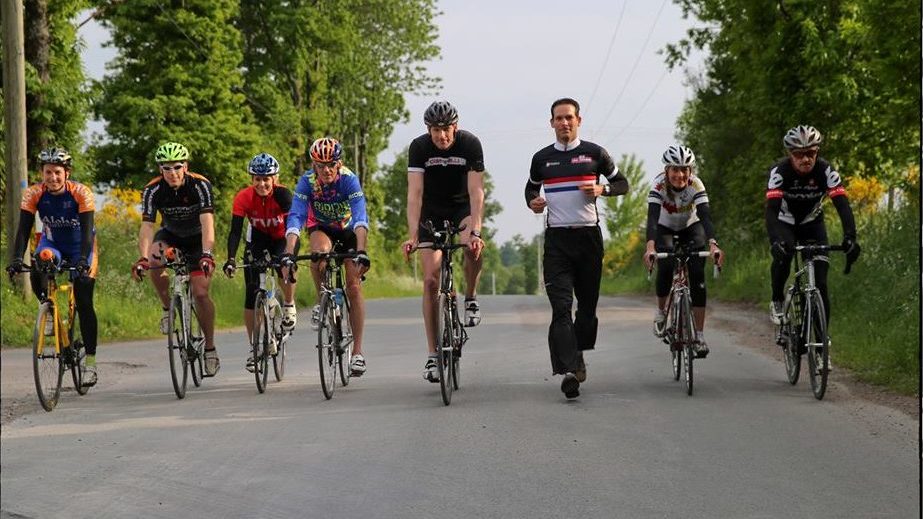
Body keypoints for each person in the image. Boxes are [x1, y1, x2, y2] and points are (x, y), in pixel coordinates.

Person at [525, 97, 629, 399]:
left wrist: (602, 189)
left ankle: (579, 353)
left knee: (586, 310)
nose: (564, 123)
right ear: (552, 123)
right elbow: (531, 187)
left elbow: (622, 183)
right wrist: (532, 202)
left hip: (588, 240)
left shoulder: (595, 154)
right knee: (560, 308)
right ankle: (569, 370)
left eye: (569, 118)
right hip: (557, 240)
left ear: (578, 120)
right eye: (559, 119)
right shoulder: (542, 158)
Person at [400, 100, 486, 384]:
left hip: (462, 208)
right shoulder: (419, 148)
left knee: (472, 247)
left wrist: (476, 231)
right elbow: (414, 194)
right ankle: (433, 354)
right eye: (436, 130)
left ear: (455, 127)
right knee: (430, 282)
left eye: (446, 129)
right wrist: (413, 233)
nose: (442, 136)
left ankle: (470, 298)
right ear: (429, 129)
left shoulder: (470, 144)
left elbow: (476, 193)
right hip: (432, 213)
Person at [6, 148, 100, 387]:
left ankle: (90, 363)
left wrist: (81, 260)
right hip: (53, 244)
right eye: (48, 172)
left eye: (57, 172)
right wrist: (17, 258)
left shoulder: (81, 193)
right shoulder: (34, 194)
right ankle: (47, 308)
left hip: (82, 246)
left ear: (66, 173)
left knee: (84, 299)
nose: (53, 177)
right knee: (41, 260)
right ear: (42, 173)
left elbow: (88, 230)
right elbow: (24, 229)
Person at [282, 137, 371, 376]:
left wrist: (361, 251)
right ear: (314, 166)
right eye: (321, 165)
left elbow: (361, 216)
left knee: (353, 286)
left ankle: (358, 353)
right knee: (318, 254)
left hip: (349, 229)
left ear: (339, 163)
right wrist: (288, 253)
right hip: (322, 227)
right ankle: (321, 296)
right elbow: (295, 218)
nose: (327, 170)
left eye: (331, 164)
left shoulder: (349, 180)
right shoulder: (307, 182)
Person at [131, 142, 221, 376]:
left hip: (197, 238)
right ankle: (167, 308)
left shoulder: (200, 184)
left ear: (186, 166)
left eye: (177, 167)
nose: (172, 173)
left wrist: (207, 254)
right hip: (170, 235)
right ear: (160, 170)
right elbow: (148, 226)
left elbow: (207, 222)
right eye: (167, 168)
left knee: (201, 293)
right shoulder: (152, 189)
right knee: (153, 259)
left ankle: (209, 348)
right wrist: (142, 257)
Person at [766, 125, 860, 325]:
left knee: (821, 284)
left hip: (812, 223)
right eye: (799, 154)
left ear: (817, 151)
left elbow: (842, 205)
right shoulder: (779, 172)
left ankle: (820, 348)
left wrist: (850, 237)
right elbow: (772, 211)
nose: (805, 159)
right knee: (784, 256)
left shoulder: (825, 170)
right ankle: (777, 299)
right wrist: (775, 241)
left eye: (811, 153)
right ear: (790, 154)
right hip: (786, 221)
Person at [643, 145, 724, 358]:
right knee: (667, 264)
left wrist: (713, 243)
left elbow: (705, 216)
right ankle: (661, 312)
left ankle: (699, 336)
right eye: (675, 170)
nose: (680, 175)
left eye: (685, 170)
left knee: (698, 276)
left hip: (691, 227)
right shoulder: (659, 185)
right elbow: (652, 218)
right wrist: (650, 247)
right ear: (667, 170)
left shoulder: (696, 185)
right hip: (664, 227)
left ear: (690, 171)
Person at [223, 152, 296, 372]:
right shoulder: (243, 197)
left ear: (275, 178)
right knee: (251, 292)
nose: (262, 183)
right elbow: (235, 232)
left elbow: (294, 224)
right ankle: (255, 347)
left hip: (282, 237)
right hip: (257, 239)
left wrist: (289, 255)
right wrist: (230, 259)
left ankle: (289, 304)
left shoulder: (283, 195)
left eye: (267, 179)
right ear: (251, 179)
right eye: (257, 179)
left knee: (285, 266)